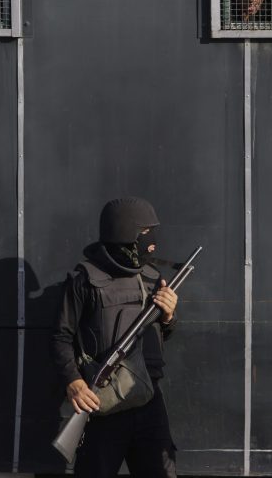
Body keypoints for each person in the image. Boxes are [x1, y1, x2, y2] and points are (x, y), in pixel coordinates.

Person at [52, 197, 179, 477]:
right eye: (145, 232)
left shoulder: (152, 276)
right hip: (102, 403)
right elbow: (62, 336)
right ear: (124, 232)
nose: (152, 239)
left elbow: (160, 335)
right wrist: (73, 381)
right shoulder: (85, 279)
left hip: (148, 400)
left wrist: (168, 317)